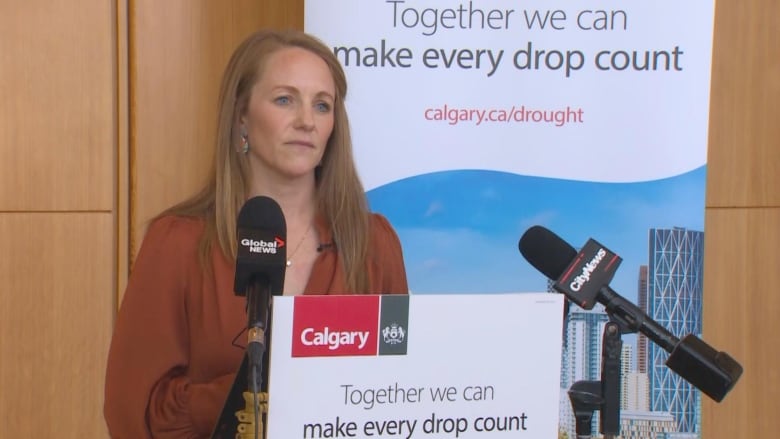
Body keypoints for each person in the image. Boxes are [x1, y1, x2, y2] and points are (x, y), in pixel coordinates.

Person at [103, 29, 409, 438]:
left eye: (322, 105)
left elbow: (398, 391)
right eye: (285, 99)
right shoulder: (178, 242)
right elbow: (134, 414)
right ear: (241, 115)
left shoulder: (374, 244)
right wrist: (251, 393)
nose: (306, 121)